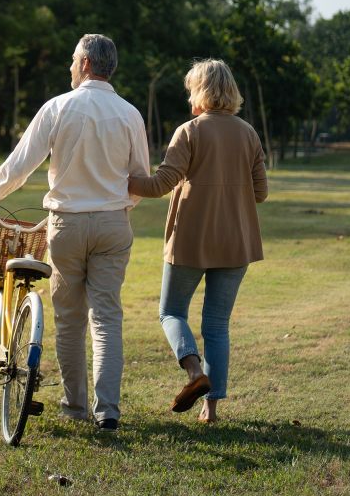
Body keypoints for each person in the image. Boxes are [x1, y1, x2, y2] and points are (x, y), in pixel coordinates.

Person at [0, 34, 150, 432]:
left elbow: (21, 163)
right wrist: (118, 206)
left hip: (66, 225)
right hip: (113, 224)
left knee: (69, 320)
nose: (69, 67)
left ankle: (75, 405)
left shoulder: (59, 107)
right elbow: (139, 179)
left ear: (85, 64)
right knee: (106, 317)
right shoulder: (130, 114)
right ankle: (109, 411)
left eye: (72, 61)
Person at [128, 58, 267, 424]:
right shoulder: (249, 134)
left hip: (190, 240)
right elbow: (261, 192)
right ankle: (211, 410)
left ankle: (194, 373)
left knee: (171, 311)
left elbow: (159, 185)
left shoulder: (188, 132)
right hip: (236, 242)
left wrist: (122, 178)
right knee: (217, 325)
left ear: (200, 91)